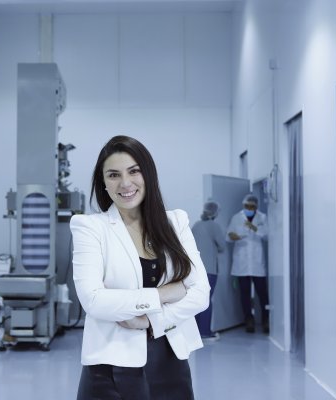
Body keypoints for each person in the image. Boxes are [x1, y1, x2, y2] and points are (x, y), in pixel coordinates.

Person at [70, 135, 210, 400]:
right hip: (110, 365)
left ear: (148, 174)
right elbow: (93, 300)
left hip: (170, 361)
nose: (125, 183)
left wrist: (149, 322)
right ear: (103, 182)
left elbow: (200, 293)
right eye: (113, 175)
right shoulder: (90, 228)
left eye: (134, 171)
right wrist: (164, 294)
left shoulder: (175, 223)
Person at [226, 194, 269, 333]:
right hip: (241, 262)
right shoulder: (236, 217)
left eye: (252, 207)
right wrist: (233, 236)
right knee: (244, 294)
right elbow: (228, 236)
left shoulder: (262, 217)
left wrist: (254, 228)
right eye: (247, 206)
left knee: (262, 293)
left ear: (256, 207)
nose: (249, 209)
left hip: (257, 263)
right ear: (243, 205)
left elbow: (268, 235)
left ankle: (266, 320)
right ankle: (248, 320)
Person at [191, 199, 226, 341]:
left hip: (194, 270)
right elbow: (222, 246)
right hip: (209, 269)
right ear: (215, 212)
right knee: (206, 300)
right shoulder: (214, 226)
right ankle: (205, 332)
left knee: (197, 301)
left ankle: (196, 332)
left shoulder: (196, 225)